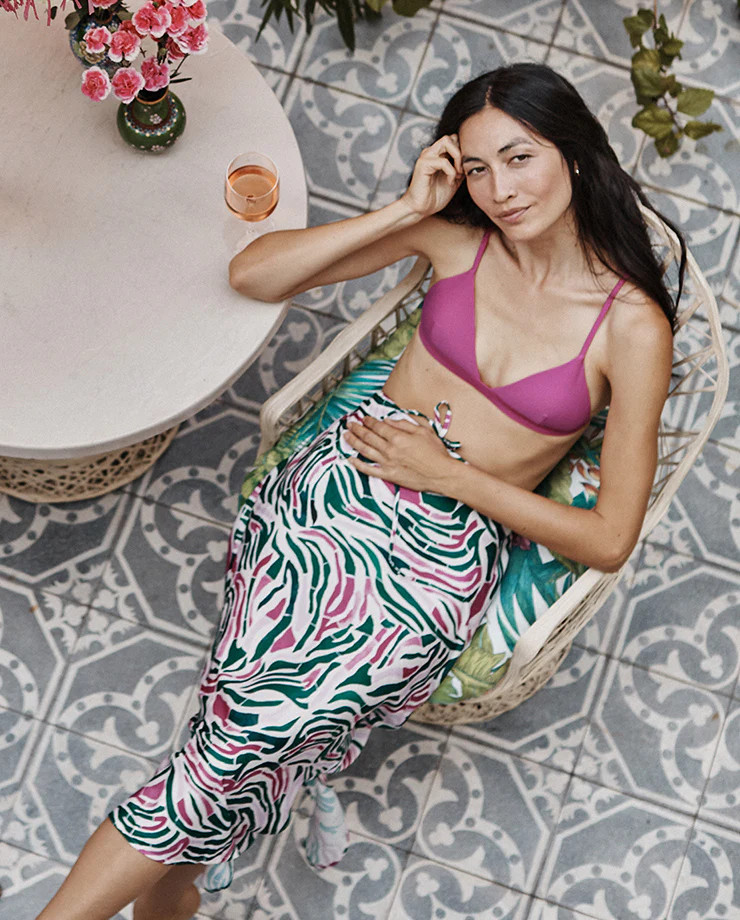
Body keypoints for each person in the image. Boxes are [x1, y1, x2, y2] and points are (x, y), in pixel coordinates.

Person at [37, 63, 684, 920]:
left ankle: (155, 897)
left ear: (572, 151)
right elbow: (255, 274)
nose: (500, 191)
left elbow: (608, 537)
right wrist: (408, 211)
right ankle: (171, 897)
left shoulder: (632, 326)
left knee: (232, 744)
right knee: (239, 747)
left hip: (437, 563)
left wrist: (450, 476)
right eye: (477, 167)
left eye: (519, 158)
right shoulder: (457, 241)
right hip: (329, 494)